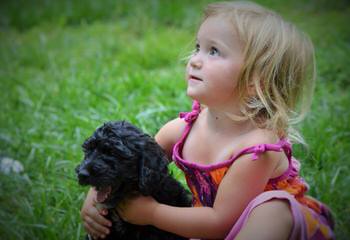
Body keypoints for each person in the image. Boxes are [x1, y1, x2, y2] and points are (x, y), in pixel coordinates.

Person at [80, 1, 335, 239]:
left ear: (254, 82)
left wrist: (152, 213)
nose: (195, 60)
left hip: (275, 229)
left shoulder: (256, 149)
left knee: (273, 209)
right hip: (210, 228)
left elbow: (220, 221)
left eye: (214, 51)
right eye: (198, 47)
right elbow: (129, 163)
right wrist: (96, 194)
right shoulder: (182, 129)